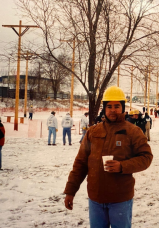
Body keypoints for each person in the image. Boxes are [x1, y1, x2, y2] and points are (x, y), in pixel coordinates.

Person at [64, 86, 153, 227]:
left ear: (123, 108)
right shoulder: (93, 132)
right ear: (104, 109)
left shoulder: (133, 131)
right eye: (109, 106)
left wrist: (122, 166)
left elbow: (146, 157)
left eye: (117, 106)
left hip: (120, 199)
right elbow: (81, 163)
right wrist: (70, 191)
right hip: (95, 199)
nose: (113, 110)